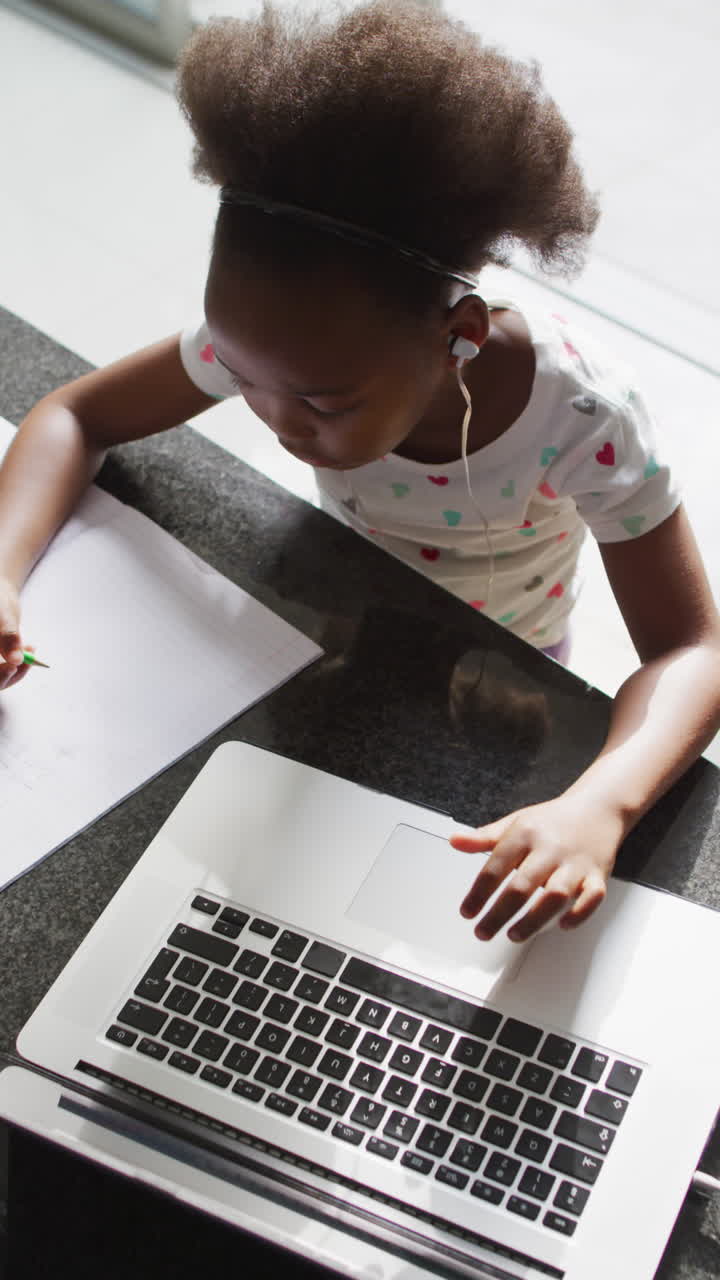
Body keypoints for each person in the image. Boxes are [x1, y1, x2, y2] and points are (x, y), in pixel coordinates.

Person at [1, 1, 719, 945]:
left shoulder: (582, 417)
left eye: (323, 404)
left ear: (455, 336)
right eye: (240, 373)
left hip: (509, 659)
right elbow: (74, 411)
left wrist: (604, 807)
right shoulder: (283, 346)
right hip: (336, 612)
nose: (273, 416)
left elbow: (692, 650)